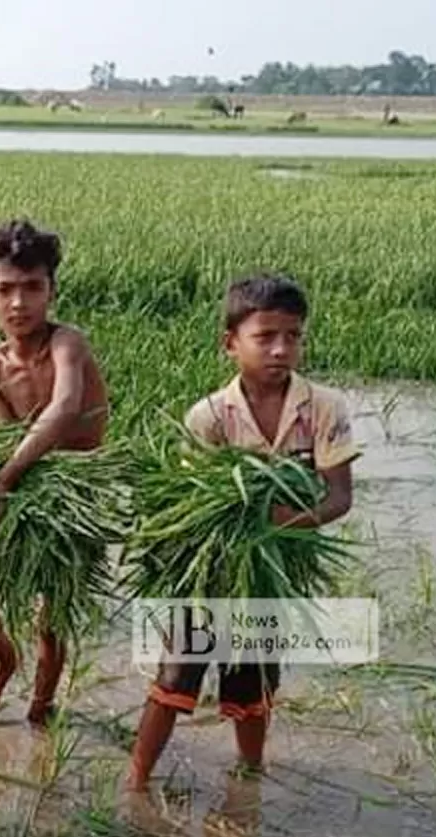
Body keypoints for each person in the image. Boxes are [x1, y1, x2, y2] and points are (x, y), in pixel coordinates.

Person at [126, 274, 359, 791]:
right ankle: (135, 784)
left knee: (253, 680)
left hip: (271, 571)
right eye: (266, 337)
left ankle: (250, 776)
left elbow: (338, 496)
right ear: (230, 344)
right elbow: (189, 505)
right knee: (176, 673)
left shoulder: (324, 408)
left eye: (293, 336)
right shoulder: (208, 417)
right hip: (211, 571)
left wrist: (270, 524)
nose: (281, 349)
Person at [0, 219, 110, 727]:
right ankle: (5, 663)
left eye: (32, 288)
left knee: (51, 623)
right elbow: (5, 432)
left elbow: (64, 408)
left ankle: (40, 713)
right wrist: (0, 483)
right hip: (26, 485)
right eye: (5, 290)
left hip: (72, 493)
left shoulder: (68, 343)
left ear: (52, 293)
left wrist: (6, 476)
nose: (19, 303)